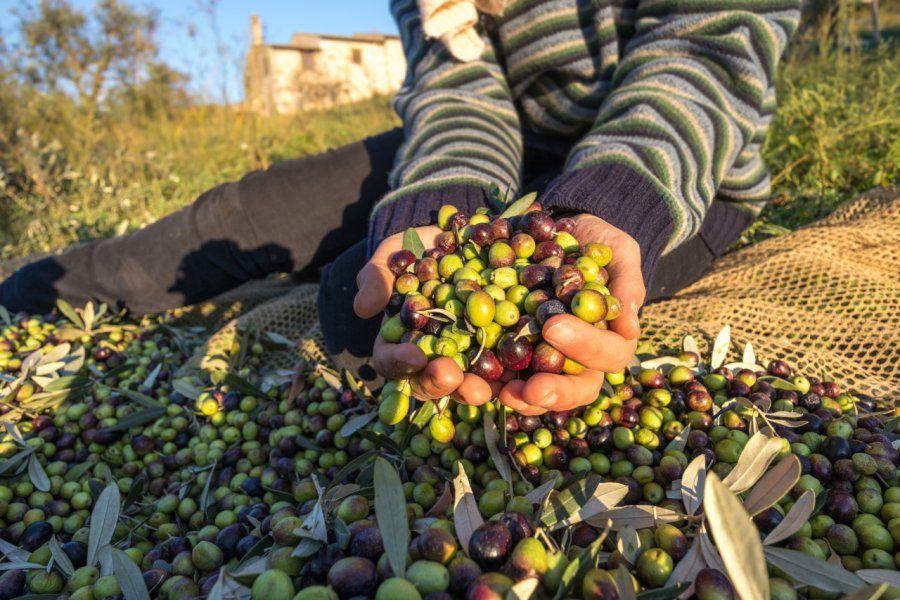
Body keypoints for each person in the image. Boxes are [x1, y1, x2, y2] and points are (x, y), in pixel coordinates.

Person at [0, 0, 801, 415]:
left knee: (360, 317)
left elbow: (705, 55)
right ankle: (28, 293)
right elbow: (460, 96)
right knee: (239, 215)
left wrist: (610, 203)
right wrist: (433, 207)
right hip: (514, 140)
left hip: (669, 157)